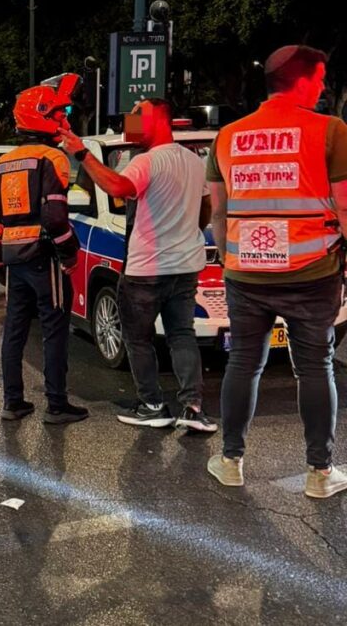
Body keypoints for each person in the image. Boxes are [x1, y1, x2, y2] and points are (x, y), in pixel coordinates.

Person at [207, 45, 347, 498]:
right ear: (303, 81)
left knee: (244, 363)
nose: (323, 87)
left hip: (245, 272)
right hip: (313, 271)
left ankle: (230, 461)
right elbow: (345, 205)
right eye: (320, 78)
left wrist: (229, 257)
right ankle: (320, 473)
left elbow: (218, 211)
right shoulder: (330, 130)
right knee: (315, 367)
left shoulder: (228, 136)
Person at [59, 100, 217, 434]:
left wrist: (81, 153)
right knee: (181, 334)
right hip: (185, 265)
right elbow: (205, 207)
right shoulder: (192, 161)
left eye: (137, 115)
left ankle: (152, 405)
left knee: (138, 338)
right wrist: (188, 233)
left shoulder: (146, 161)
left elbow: (118, 188)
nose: (130, 122)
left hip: (147, 268)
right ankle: (192, 408)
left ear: (157, 119)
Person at [0, 73, 88, 425]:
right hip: (44, 256)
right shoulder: (52, 158)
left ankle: (13, 402)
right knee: (54, 329)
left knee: (15, 329)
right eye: (59, 113)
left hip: (12, 257)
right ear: (41, 115)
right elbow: (56, 217)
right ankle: (56, 405)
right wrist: (68, 253)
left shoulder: (1, 163)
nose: (64, 119)